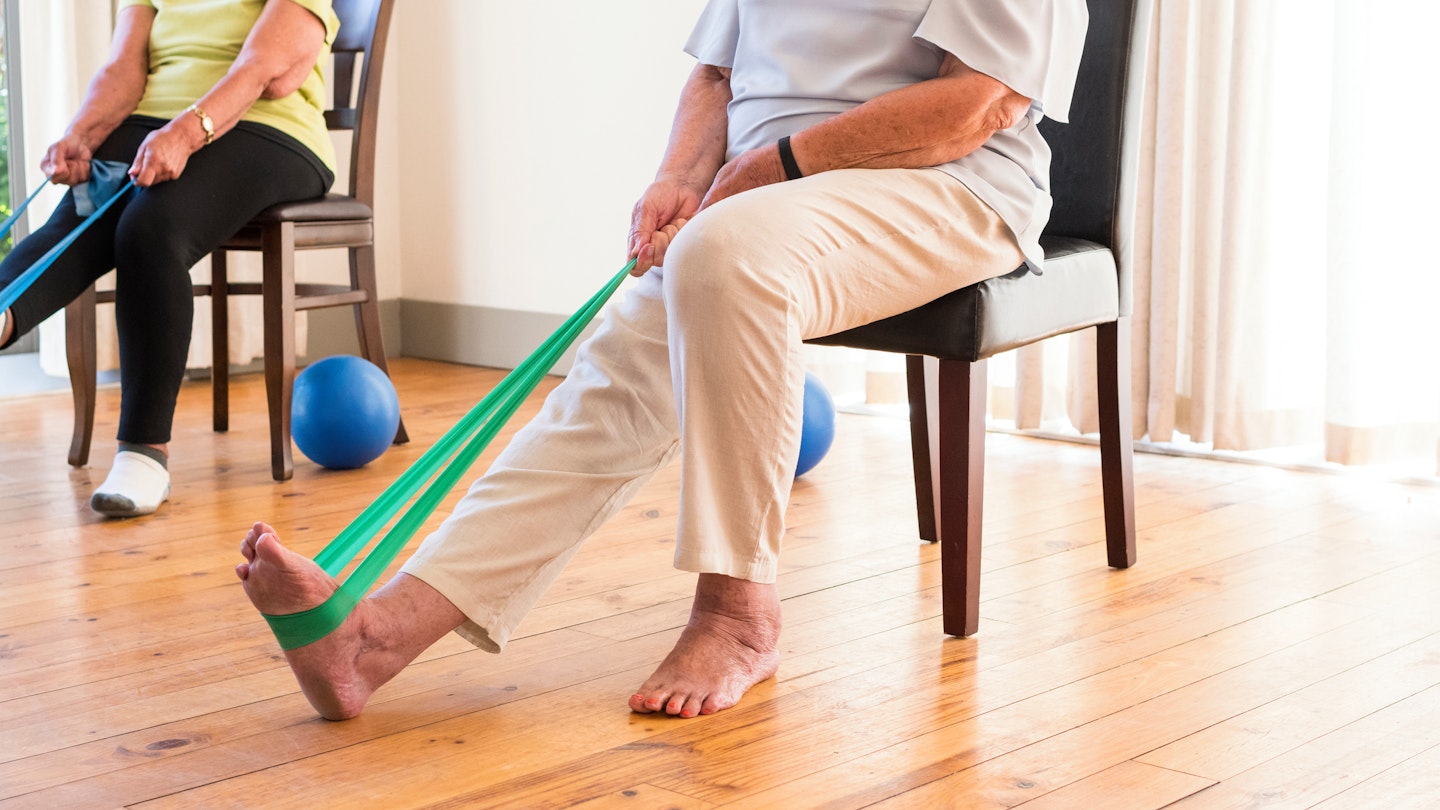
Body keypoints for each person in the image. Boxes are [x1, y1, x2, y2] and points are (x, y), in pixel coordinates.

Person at [237, 0, 1089, 721]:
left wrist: (773, 165)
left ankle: (738, 612)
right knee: (612, 377)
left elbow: (977, 103)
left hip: (950, 187)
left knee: (726, 257)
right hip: (763, 203)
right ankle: (373, 642)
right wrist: (682, 173)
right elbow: (717, 75)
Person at [0, 0, 341, 517]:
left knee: (149, 228)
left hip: (266, 127)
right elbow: (123, 68)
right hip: (152, 123)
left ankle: (144, 454)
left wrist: (185, 133)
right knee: (75, 221)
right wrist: (83, 133)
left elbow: (266, 70)